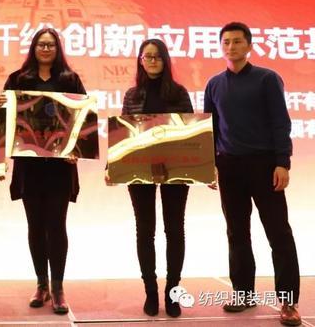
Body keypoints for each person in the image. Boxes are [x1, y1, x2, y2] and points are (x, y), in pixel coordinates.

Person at [204, 22, 301, 326]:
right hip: (229, 167)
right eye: (226, 42)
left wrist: (282, 162)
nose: (231, 47)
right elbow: (209, 129)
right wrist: (208, 165)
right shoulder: (214, 84)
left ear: (249, 46)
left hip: (264, 165)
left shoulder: (267, 79)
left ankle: (288, 302)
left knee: (278, 233)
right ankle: (243, 293)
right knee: (237, 233)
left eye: (237, 41)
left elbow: (280, 123)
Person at [1, 28, 85, 314]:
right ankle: (41, 284)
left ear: (57, 49)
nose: (46, 49)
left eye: (50, 45)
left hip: (60, 167)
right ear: (33, 48)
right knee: (35, 226)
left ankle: (58, 287)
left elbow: (83, 120)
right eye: (41, 44)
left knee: (57, 225)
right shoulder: (18, 79)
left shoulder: (70, 80)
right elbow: (5, 122)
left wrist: (76, 149)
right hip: (30, 166)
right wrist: (3, 107)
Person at [120, 38, 193, 317]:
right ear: (140, 61)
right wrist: (115, 165)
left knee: (175, 229)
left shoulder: (179, 93)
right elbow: (125, 133)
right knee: (145, 229)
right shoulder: (132, 95)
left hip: (176, 167)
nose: (152, 61)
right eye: (147, 56)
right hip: (140, 168)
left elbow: (191, 132)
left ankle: (172, 292)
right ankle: (150, 291)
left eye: (157, 56)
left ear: (165, 60)